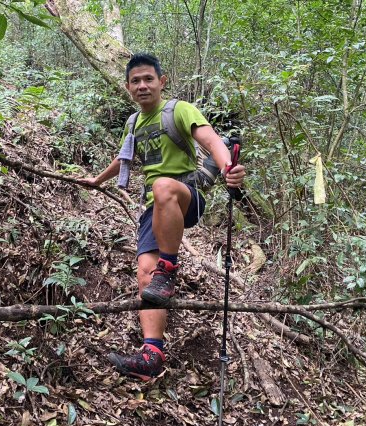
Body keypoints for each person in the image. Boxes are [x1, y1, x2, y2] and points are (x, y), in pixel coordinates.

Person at [80, 53, 246, 380]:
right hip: (154, 207)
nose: (142, 85)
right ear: (128, 87)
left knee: (163, 187)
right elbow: (123, 160)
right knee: (144, 272)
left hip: (185, 194)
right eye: (135, 81)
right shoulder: (132, 124)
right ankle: (151, 353)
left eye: (148, 79)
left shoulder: (178, 110)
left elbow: (212, 140)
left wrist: (229, 168)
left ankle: (168, 271)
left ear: (161, 82)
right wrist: (97, 180)